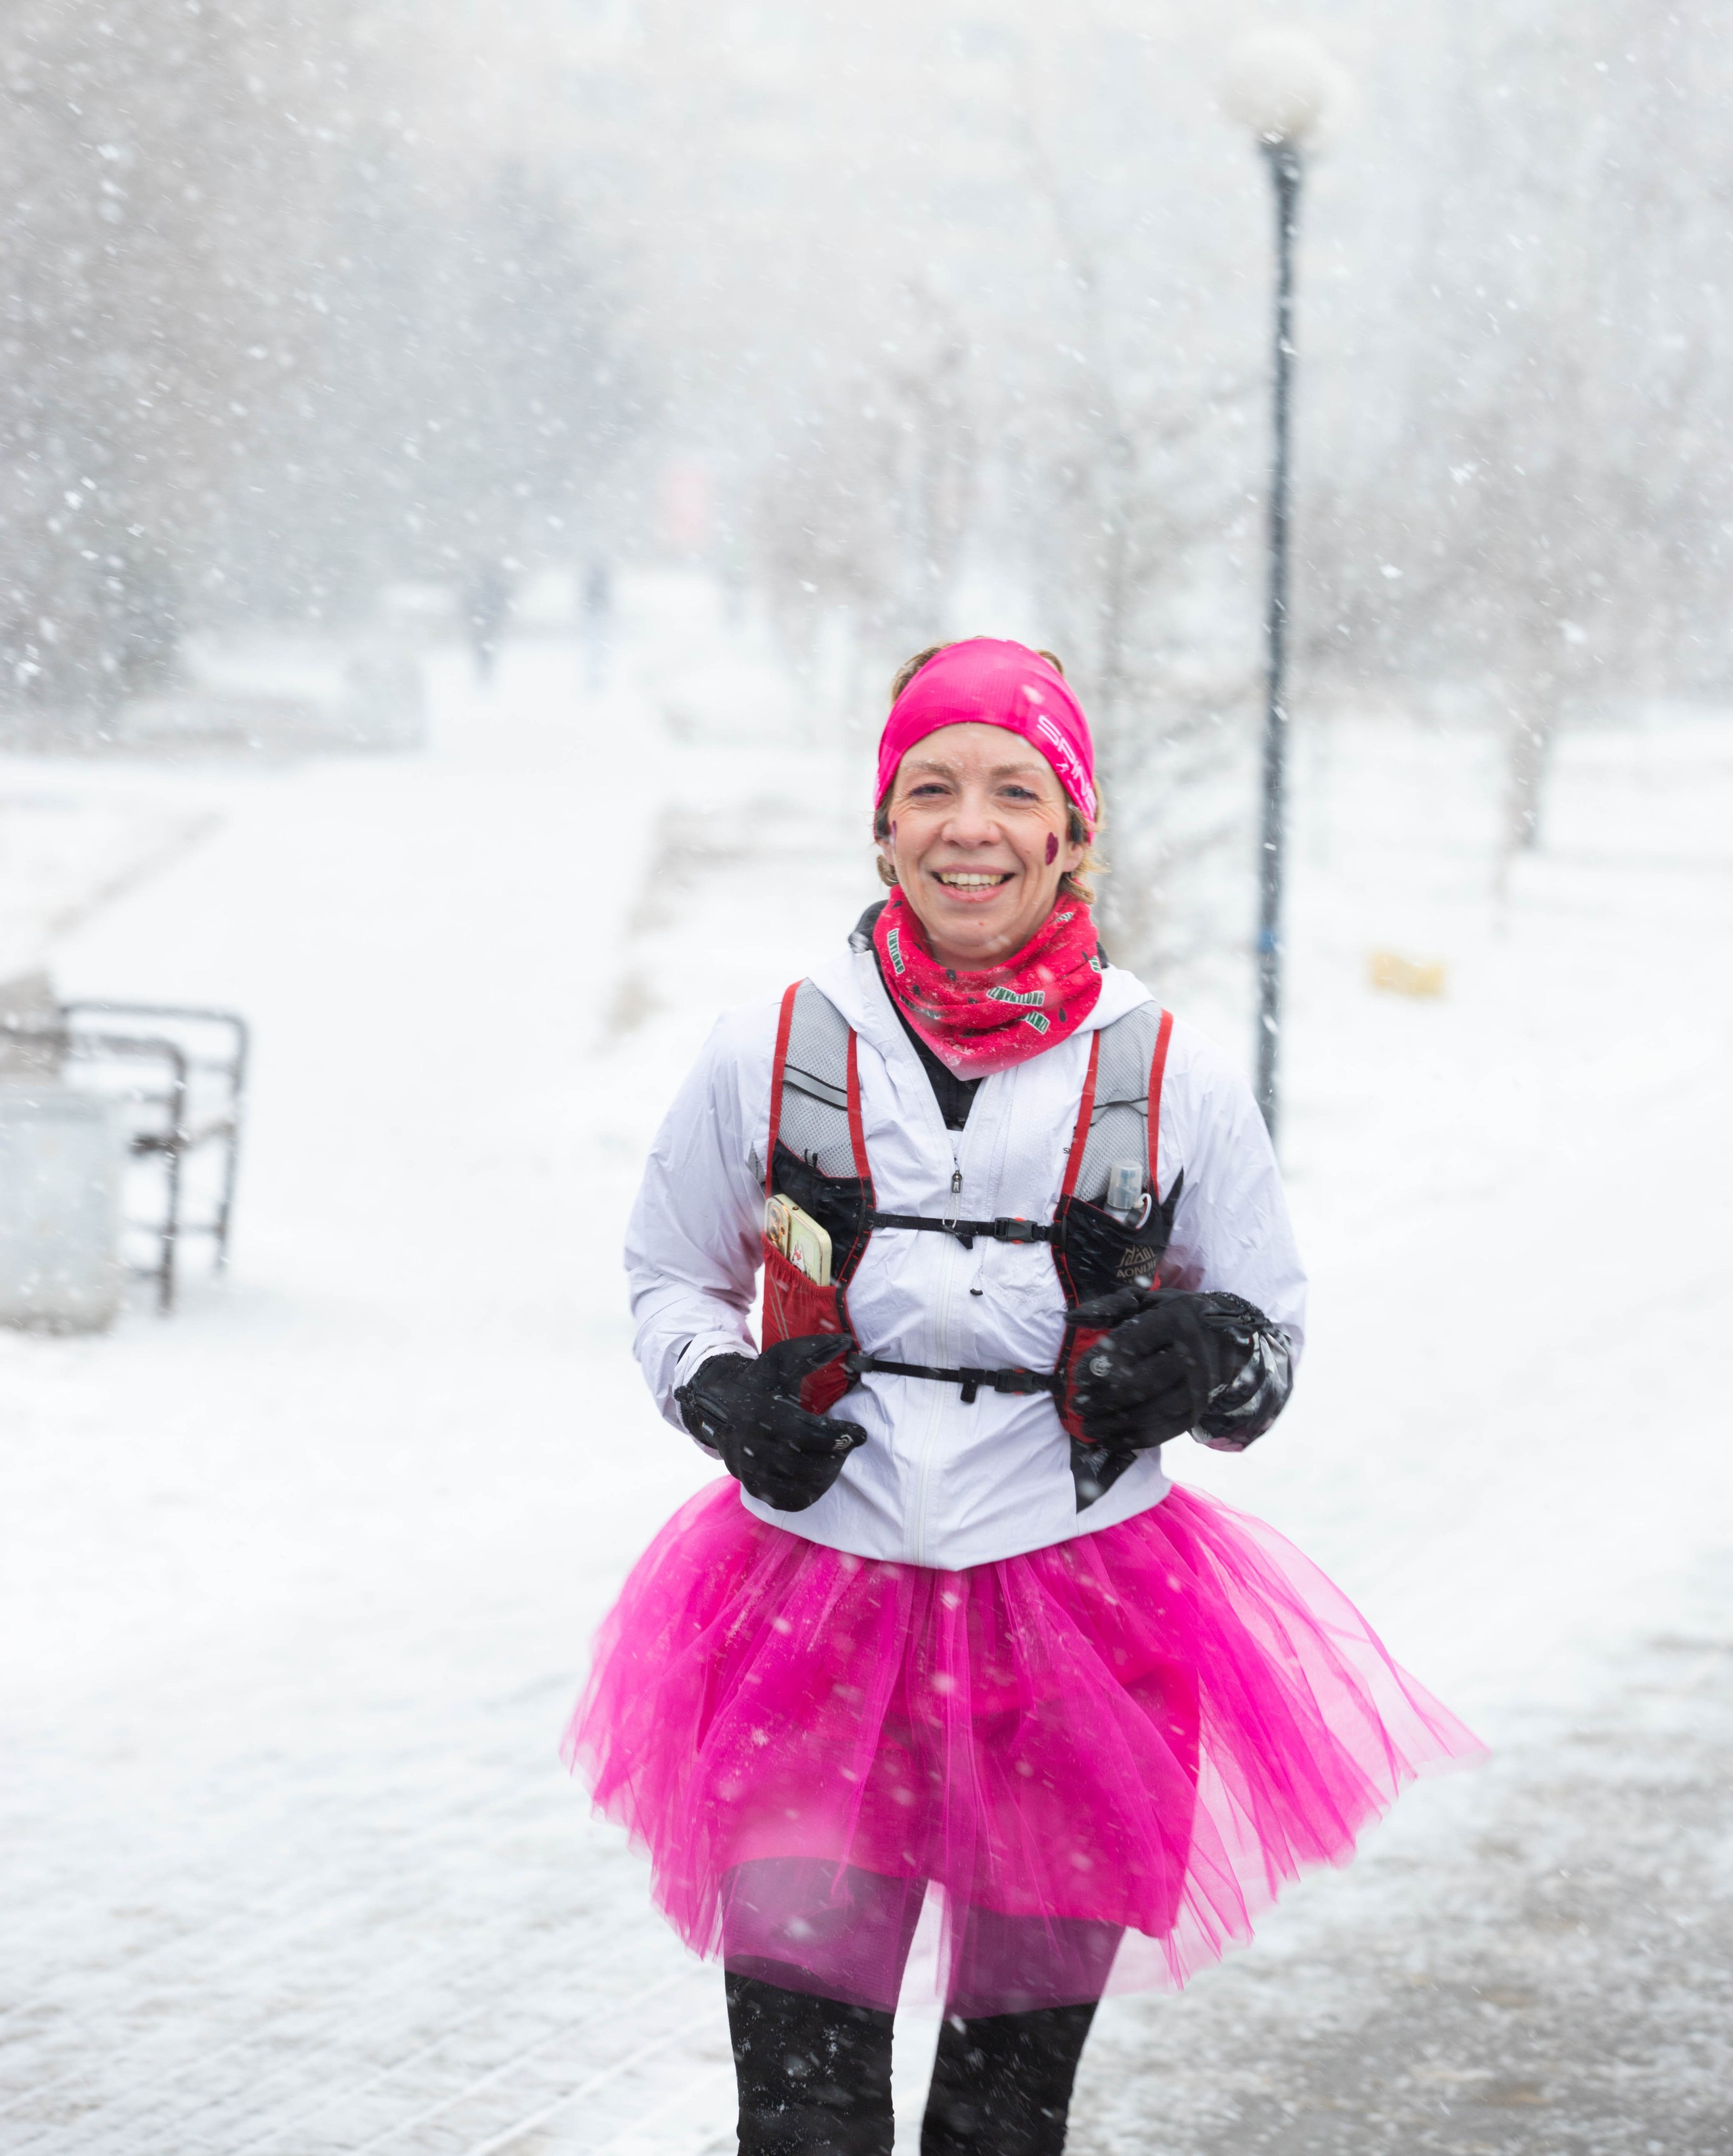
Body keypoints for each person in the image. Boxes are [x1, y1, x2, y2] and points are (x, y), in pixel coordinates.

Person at [567, 636, 1480, 2156]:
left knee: (1002, 2121)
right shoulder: (767, 1049)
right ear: (880, 827)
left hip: (1079, 1635)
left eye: (1011, 790)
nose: (967, 826)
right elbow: (669, 1276)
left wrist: (1206, 1361)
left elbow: (1267, 1345)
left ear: (1070, 834)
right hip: (812, 1619)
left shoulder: (1169, 1071)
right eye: (928, 788)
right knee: (802, 2115)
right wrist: (720, 1390)